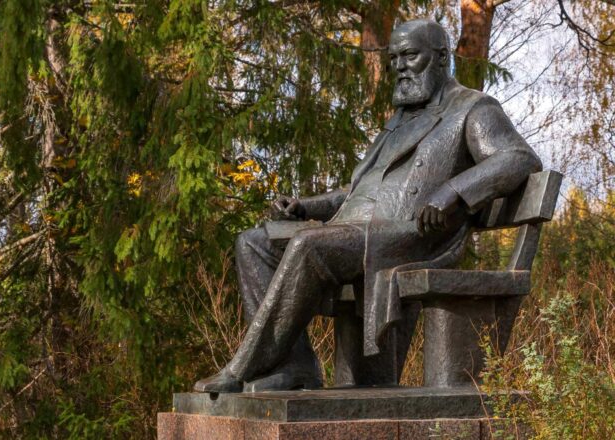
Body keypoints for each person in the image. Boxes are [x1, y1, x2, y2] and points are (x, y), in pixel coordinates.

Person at [194, 19, 542, 393]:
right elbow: (360, 190)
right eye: (394, 59)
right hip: (355, 231)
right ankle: (294, 367)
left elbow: (518, 158)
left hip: (412, 234)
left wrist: (453, 192)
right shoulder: (400, 120)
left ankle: (243, 368)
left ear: (442, 57)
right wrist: (306, 207)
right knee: (253, 243)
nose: (400, 67)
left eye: (410, 55)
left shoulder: (472, 107)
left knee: (309, 245)